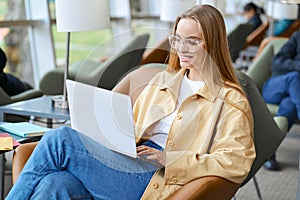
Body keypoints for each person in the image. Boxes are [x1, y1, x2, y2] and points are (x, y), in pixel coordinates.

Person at [6, 5, 256, 199]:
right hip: (131, 161)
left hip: (160, 178)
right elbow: (131, 127)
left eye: (192, 41)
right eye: (177, 39)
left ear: (213, 43)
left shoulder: (231, 100)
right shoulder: (163, 81)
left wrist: (172, 159)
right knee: (55, 184)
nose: (181, 48)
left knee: (58, 140)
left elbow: (236, 162)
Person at [262, 30, 300, 171]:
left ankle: (269, 152)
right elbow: (277, 62)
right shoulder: (297, 36)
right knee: (294, 77)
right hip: (276, 87)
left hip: (294, 96)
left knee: (289, 108)